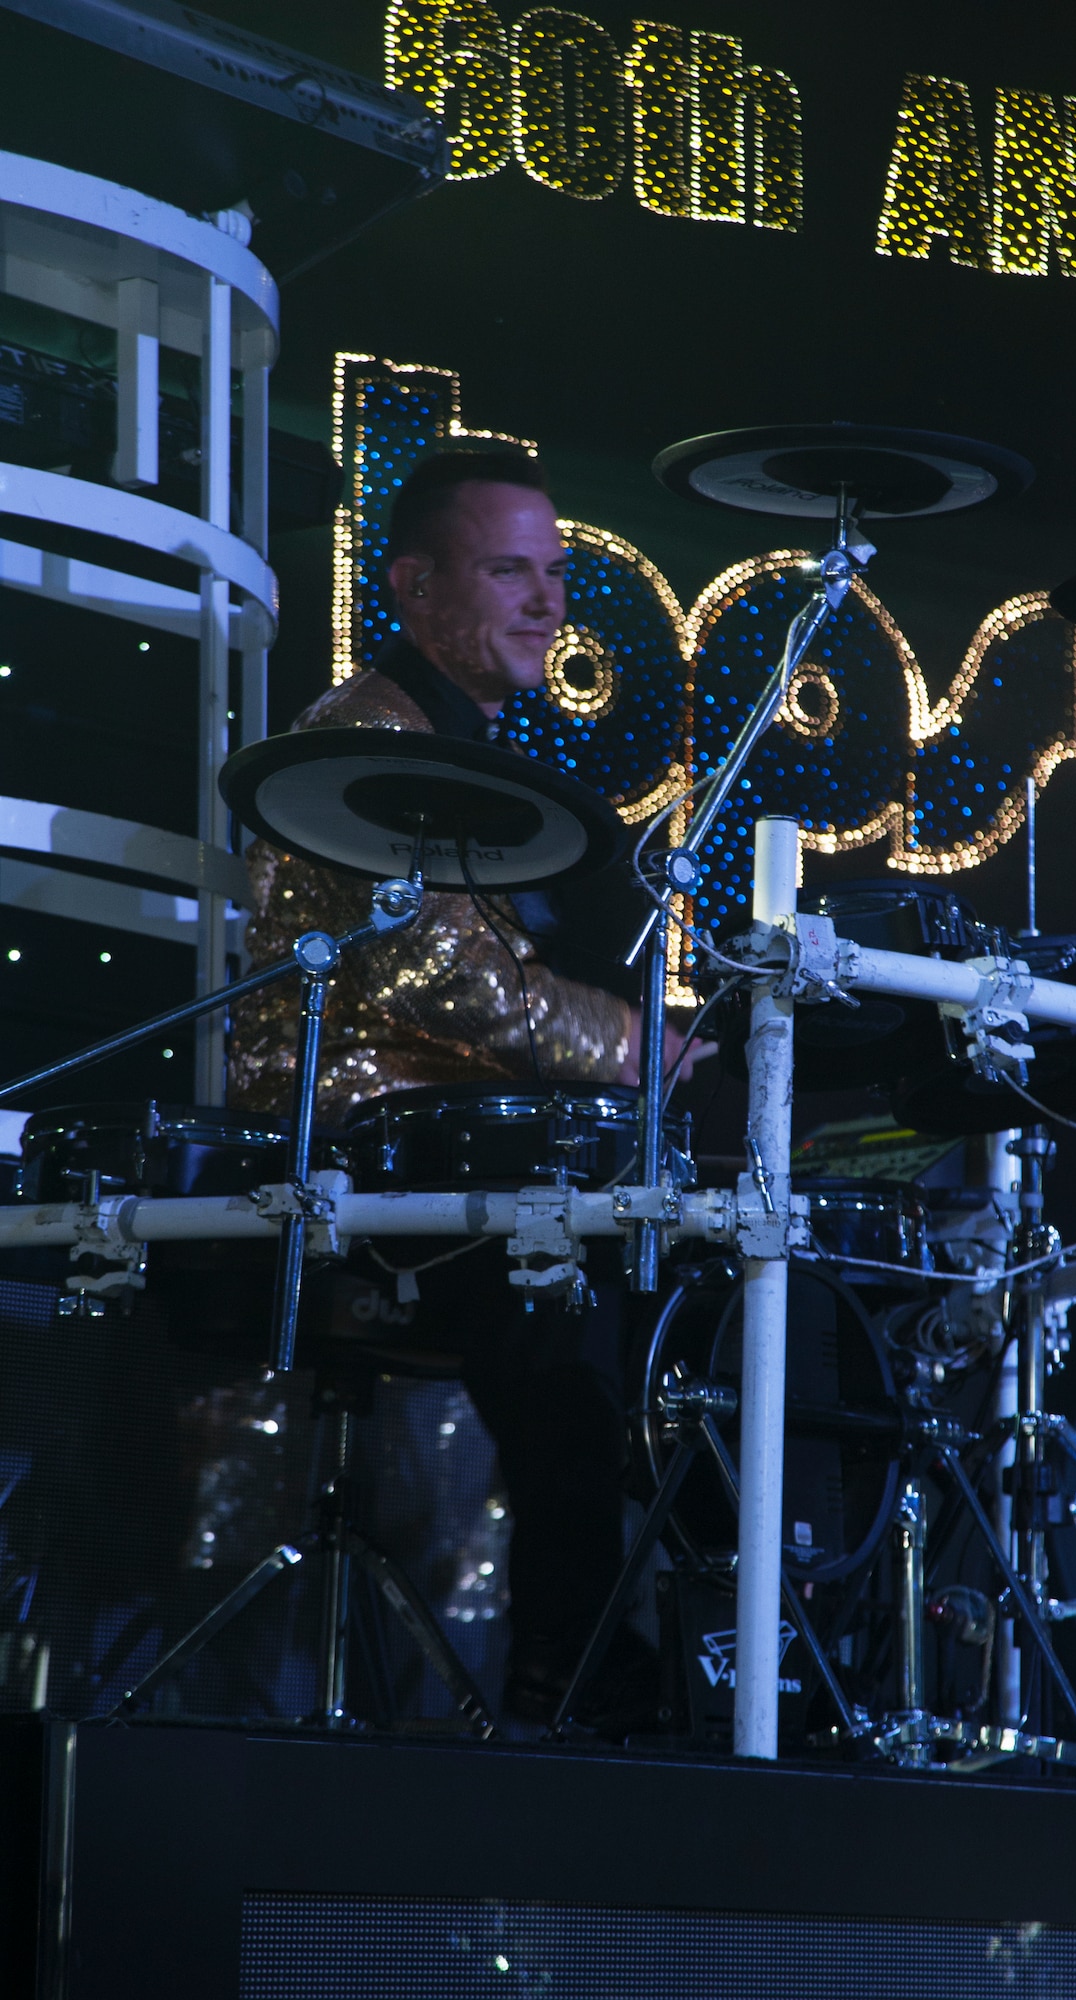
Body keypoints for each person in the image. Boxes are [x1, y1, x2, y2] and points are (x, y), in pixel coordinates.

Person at [229, 451, 712, 1729]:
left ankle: (642, 1643)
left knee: (645, 1277)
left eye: (554, 573)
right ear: (413, 581)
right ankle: (577, 1670)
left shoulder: (459, 744)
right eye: (512, 568)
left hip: (431, 1141)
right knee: (571, 1319)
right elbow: (448, 975)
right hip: (352, 1143)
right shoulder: (372, 740)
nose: (549, 602)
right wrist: (631, 1041)